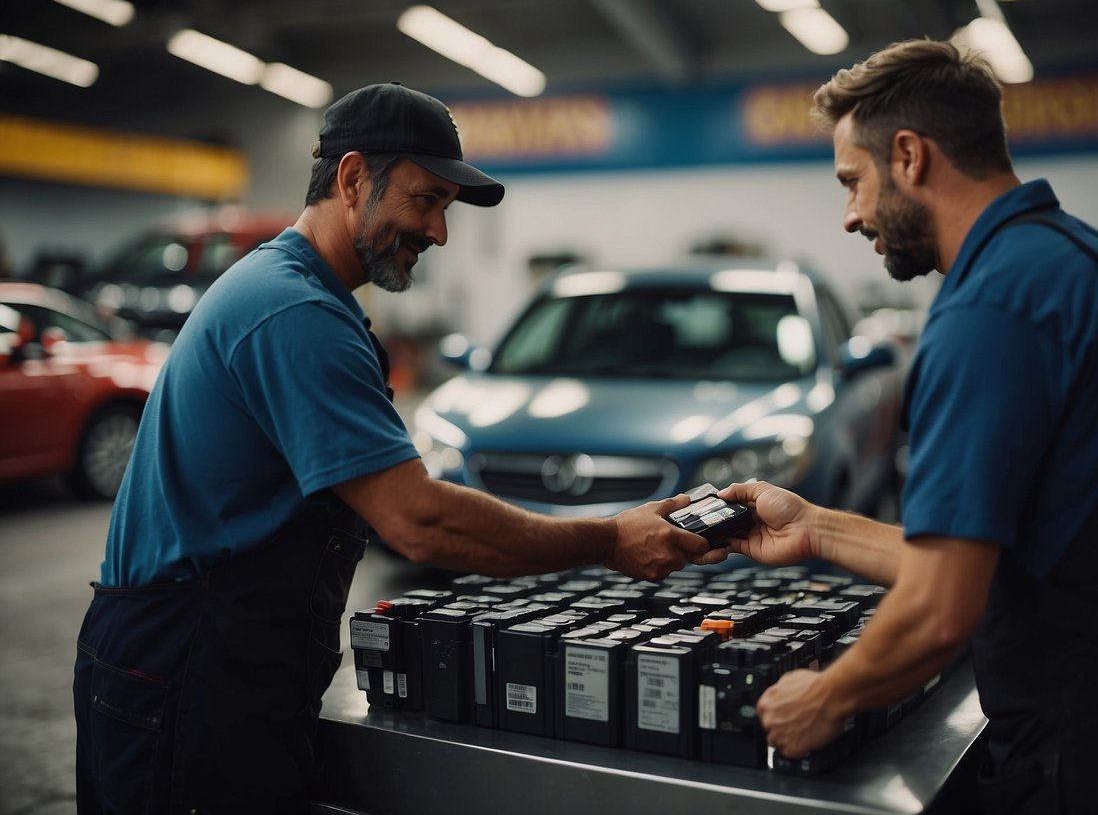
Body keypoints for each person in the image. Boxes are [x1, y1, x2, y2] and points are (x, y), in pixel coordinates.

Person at [72, 82, 710, 814]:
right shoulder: (294, 313)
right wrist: (609, 539)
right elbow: (416, 520)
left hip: (209, 664)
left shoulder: (300, 295)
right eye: (426, 200)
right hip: (184, 673)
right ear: (351, 180)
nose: (439, 233)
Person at [717, 40, 1098, 814]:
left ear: (909, 156)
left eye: (851, 182)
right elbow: (998, 558)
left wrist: (824, 696)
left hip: (1085, 755)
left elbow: (942, 609)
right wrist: (815, 528)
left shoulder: (990, 308)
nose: (848, 216)